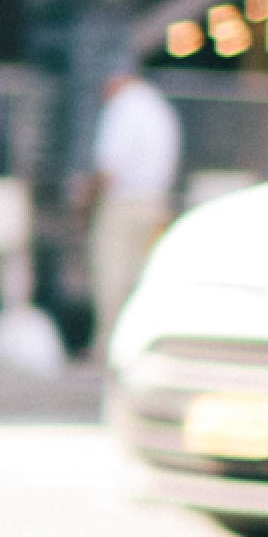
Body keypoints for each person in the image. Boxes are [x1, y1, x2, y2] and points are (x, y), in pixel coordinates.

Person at [86, 62, 183, 344]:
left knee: (112, 273)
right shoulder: (158, 106)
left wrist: (88, 197)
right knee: (142, 275)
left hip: (124, 201)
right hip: (156, 201)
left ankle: (110, 341)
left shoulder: (124, 107)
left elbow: (109, 165)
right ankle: (140, 341)